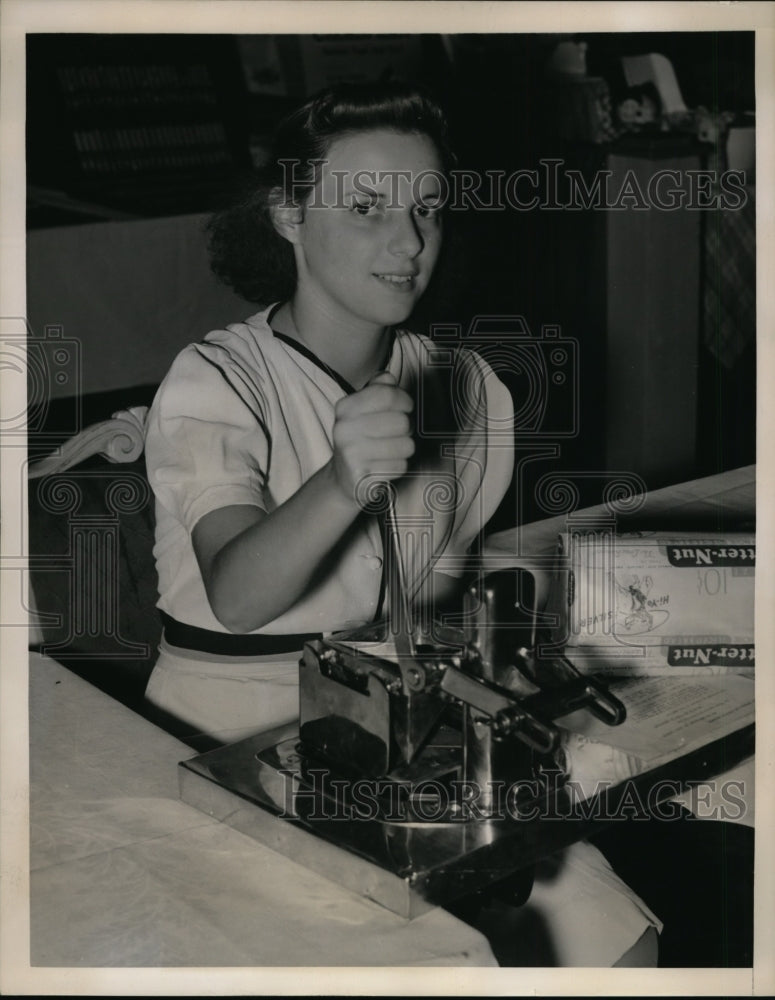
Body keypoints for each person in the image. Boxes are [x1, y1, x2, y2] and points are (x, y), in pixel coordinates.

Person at [143, 81, 660, 966]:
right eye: (366, 208)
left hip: (403, 732)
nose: (409, 241)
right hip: (228, 732)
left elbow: (441, 589)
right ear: (289, 214)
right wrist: (342, 481)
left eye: (426, 207)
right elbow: (237, 594)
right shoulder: (216, 380)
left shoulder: (466, 385)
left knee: (617, 940)